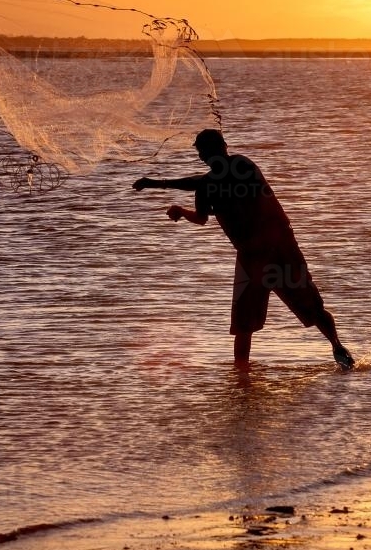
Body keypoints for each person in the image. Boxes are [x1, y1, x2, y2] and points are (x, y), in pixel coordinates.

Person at [133, 129, 355, 370]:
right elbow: (204, 184)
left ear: (211, 152)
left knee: (249, 325)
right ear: (224, 146)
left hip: (259, 256)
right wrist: (159, 184)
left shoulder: (216, 180)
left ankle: (244, 378)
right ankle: (333, 346)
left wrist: (177, 207)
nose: (202, 157)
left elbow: (200, 214)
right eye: (202, 152)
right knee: (293, 312)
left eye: (202, 152)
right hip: (277, 249)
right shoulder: (242, 165)